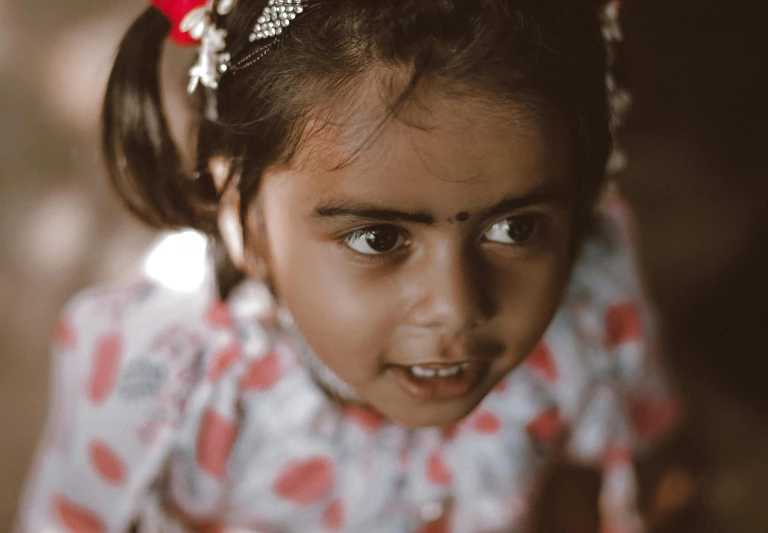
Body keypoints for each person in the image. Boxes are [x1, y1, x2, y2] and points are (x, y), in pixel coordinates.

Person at [16, 1, 677, 532]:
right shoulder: (157, 381)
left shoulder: (593, 309)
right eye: (378, 239)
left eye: (515, 227)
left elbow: (611, 475)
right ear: (241, 222)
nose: (455, 306)